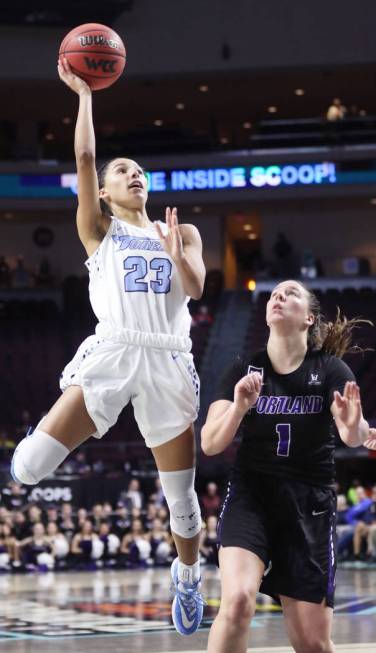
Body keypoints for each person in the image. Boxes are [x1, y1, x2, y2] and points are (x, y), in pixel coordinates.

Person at [10, 55, 206, 635]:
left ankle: (188, 579)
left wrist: (176, 251)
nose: (133, 174)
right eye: (123, 170)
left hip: (169, 355)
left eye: (140, 170)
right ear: (106, 190)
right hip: (116, 349)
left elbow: (194, 287)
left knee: (184, 503)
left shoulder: (182, 231)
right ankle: (50, 428)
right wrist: (86, 95)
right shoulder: (98, 227)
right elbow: (86, 158)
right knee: (27, 471)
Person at [201, 279, 376, 653]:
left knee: (312, 642)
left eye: (290, 293)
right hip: (252, 496)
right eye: (274, 294)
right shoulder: (242, 368)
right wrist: (239, 408)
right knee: (237, 603)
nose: (278, 296)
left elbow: (352, 433)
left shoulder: (331, 370)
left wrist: (354, 426)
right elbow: (210, 443)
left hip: (309, 505)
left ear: (309, 318)